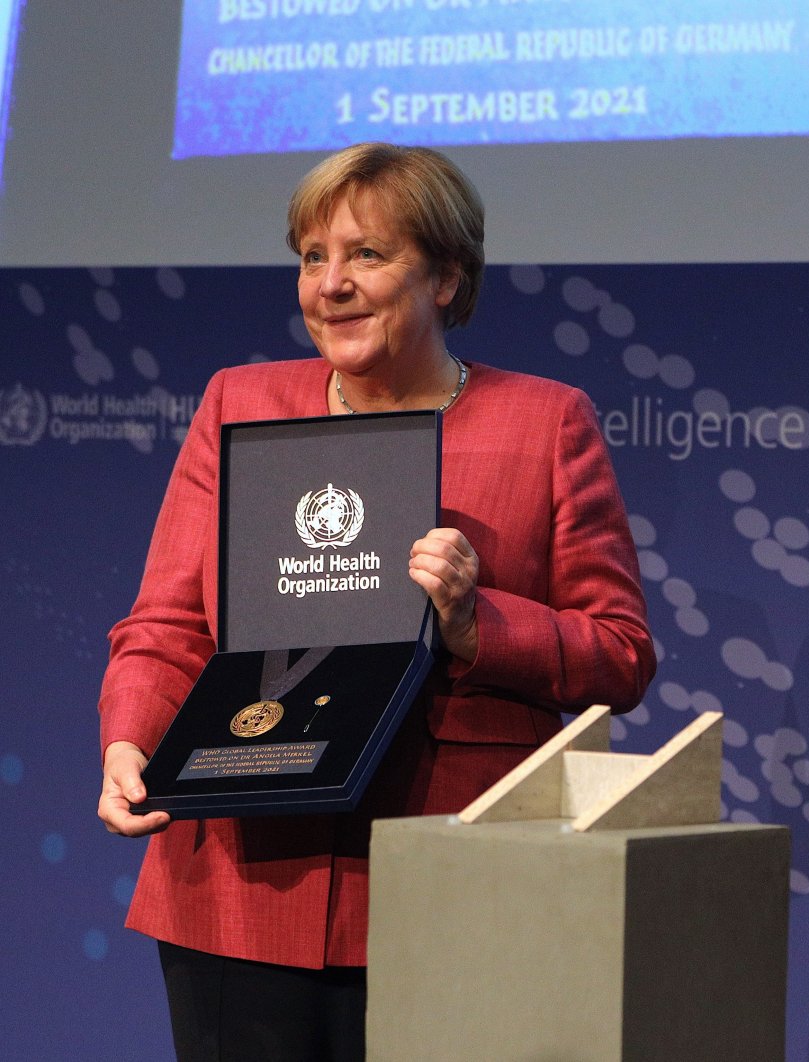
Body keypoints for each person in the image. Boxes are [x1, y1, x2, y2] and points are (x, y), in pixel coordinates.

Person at [96, 142, 656, 1060]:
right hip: (239, 887)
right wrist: (129, 740)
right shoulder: (240, 403)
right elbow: (166, 623)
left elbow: (621, 654)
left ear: (447, 275)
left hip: (448, 877)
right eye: (312, 258)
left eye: (367, 255)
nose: (331, 285)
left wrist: (481, 623)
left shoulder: (545, 421)